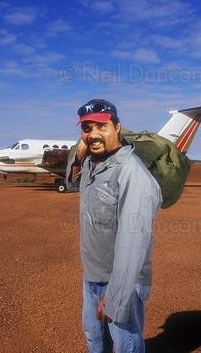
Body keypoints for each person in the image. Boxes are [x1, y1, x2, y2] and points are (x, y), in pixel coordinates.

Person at [66, 99, 163, 353]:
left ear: (117, 126)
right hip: (93, 277)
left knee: (126, 347)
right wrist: (78, 155)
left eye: (101, 126)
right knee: (95, 341)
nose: (93, 134)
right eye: (87, 128)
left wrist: (115, 297)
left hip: (122, 283)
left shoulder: (133, 174)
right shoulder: (91, 164)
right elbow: (74, 184)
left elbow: (133, 243)